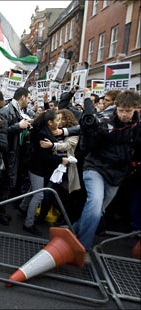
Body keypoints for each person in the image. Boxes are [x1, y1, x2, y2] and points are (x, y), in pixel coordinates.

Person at [73, 90, 141, 251]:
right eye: (121, 110)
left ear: (136, 109)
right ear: (116, 108)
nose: (124, 115)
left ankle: (73, 231)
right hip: (95, 167)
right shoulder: (104, 121)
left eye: (128, 111)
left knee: (96, 211)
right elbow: (88, 146)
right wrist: (91, 132)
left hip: (118, 173)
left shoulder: (137, 126)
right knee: (95, 205)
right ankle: (83, 248)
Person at [18, 110, 69, 236]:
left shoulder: (42, 130)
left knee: (33, 190)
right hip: (37, 168)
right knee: (39, 195)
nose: (59, 123)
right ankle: (28, 223)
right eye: (57, 120)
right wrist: (61, 159)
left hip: (37, 167)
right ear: (50, 122)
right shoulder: (43, 134)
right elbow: (45, 156)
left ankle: (23, 208)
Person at [37, 109, 81, 224]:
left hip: (67, 170)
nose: (59, 122)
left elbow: (67, 145)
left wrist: (52, 145)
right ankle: (42, 217)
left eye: (62, 119)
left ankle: (65, 219)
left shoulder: (74, 133)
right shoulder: (53, 131)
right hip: (55, 168)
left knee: (65, 196)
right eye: (58, 119)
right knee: (48, 193)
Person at [0, 87, 32, 198]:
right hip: (9, 153)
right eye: (29, 98)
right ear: (23, 97)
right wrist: (18, 126)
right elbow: (0, 133)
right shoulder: (5, 111)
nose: (29, 101)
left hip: (18, 151)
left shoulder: (21, 112)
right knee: (7, 181)